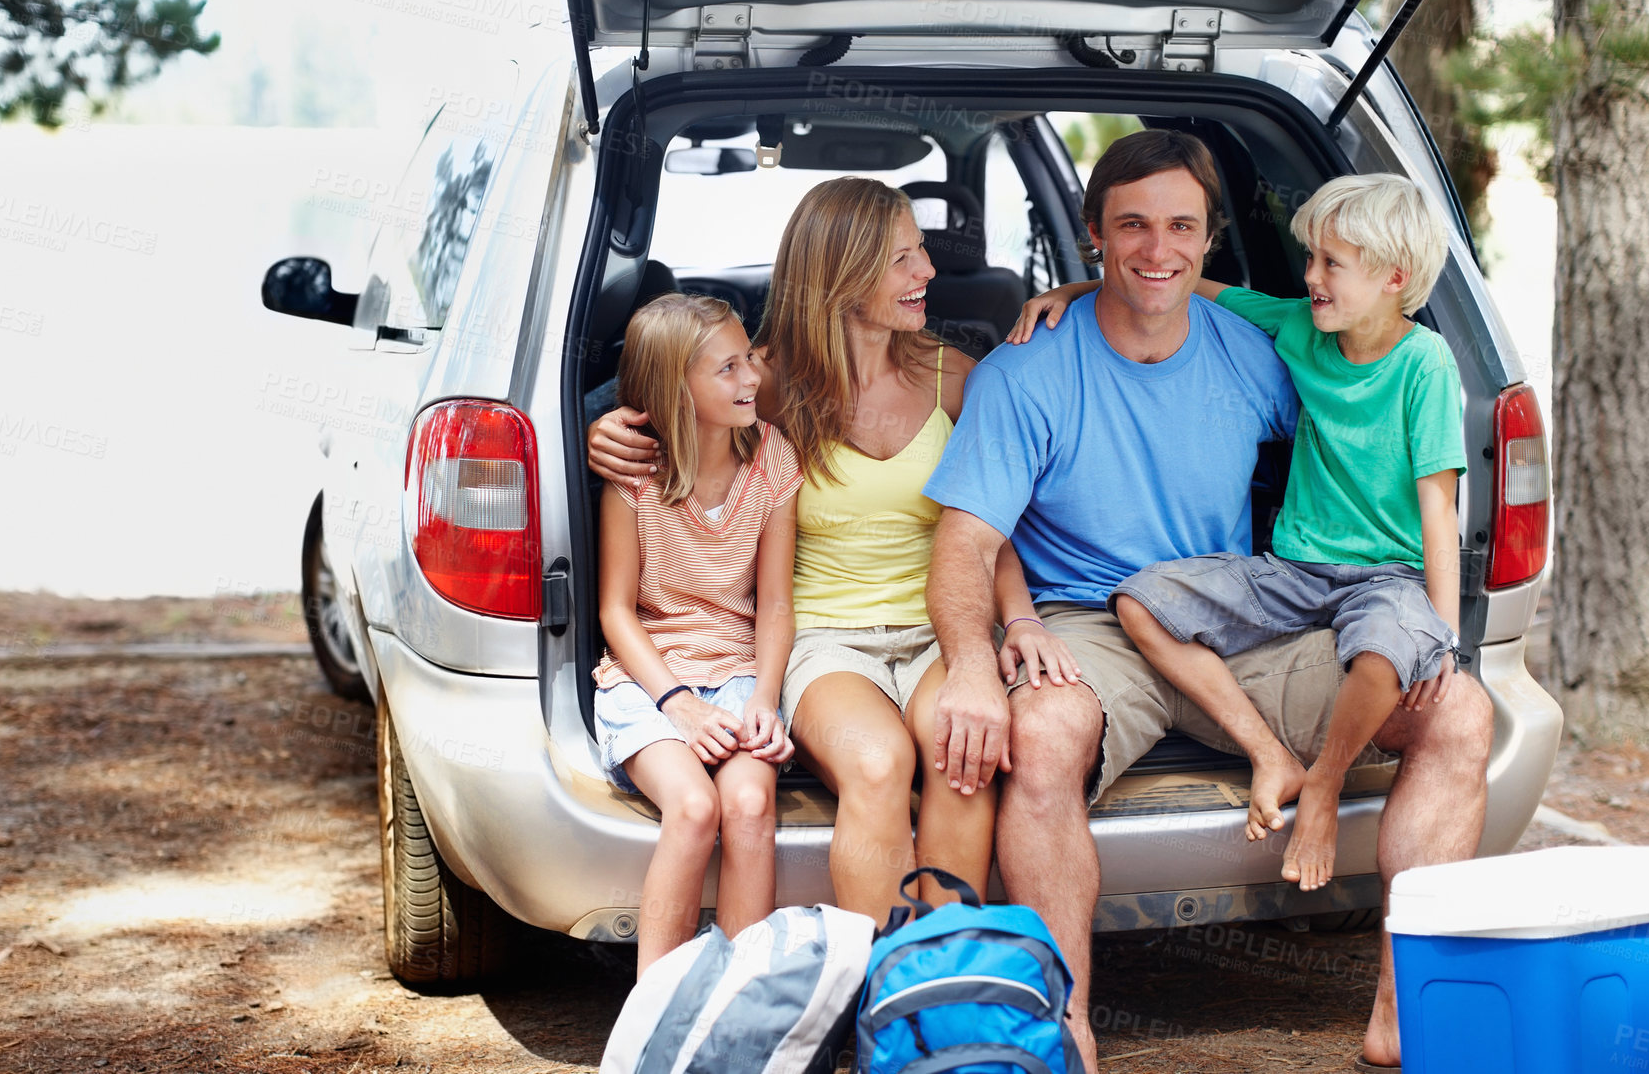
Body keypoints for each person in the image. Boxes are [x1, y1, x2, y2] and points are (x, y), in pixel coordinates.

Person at [923, 130, 1492, 1073]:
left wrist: (1424, 624)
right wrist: (979, 667)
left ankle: (1405, 1012)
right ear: (1091, 236)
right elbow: (965, 545)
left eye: (1180, 226)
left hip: (1241, 619)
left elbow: (1370, 395)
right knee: (1044, 733)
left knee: (1459, 714)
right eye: (1132, 226)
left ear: (1208, 239)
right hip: (1091, 627)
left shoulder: (1261, 351)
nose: (1158, 249)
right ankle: (1064, 1026)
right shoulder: (1028, 371)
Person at [589, 178, 1075, 923]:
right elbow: (676, 400)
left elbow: (986, 528)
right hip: (821, 641)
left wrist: (1020, 622)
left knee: (963, 759)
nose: (928, 275)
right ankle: (881, 982)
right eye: (903, 260)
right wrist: (607, 427)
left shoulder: (955, 378)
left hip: (943, 631)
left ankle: (937, 980)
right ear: (841, 274)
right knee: (878, 764)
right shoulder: (762, 384)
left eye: (921, 255)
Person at [1010, 173, 1466, 896]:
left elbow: (1439, 509)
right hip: (1292, 572)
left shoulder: (1425, 364)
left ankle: (1323, 783)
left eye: (1328, 264)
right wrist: (1072, 290)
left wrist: (1442, 634)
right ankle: (1268, 753)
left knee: (1384, 653)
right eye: (1310, 259)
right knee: (1141, 600)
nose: (1308, 278)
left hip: (1386, 578)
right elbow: (1180, 284)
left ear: (1393, 278)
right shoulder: (1296, 326)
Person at [591, 292, 799, 977]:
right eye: (727, 369)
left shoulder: (772, 458)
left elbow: (772, 604)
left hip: (738, 668)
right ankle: (657, 1007)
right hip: (648, 675)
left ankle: (739, 1005)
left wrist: (763, 700)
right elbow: (616, 611)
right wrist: (678, 703)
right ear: (673, 387)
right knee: (691, 806)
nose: (750, 380)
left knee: (746, 803)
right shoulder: (632, 477)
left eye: (748, 361)